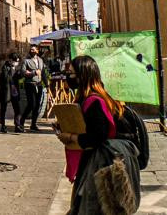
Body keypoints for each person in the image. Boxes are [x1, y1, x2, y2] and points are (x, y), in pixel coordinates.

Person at [56, 55, 142, 214]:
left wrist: (71, 137)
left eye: (71, 73)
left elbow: (98, 135)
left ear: (83, 76)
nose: (68, 77)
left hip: (104, 164)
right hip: (96, 160)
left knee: (95, 208)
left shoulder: (94, 101)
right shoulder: (89, 97)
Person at [19, 44, 46, 132]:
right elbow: (23, 73)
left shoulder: (41, 60)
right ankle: (21, 122)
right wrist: (33, 73)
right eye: (31, 50)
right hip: (30, 84)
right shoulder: (26, 61)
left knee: (37, 105)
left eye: (34, 49)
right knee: (31, 104)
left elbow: (43, 73)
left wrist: (47, 84)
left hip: (39, 84)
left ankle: (33, 124)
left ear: (37, 51)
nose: (32, 51)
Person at [0, 53, 22, 133]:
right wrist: (14, 73)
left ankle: (17, 125)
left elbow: (18, 78)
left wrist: (20, 74)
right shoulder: (5, 67)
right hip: (6, 91)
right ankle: (2, 125)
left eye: (18, 62)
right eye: (15, 61)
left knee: (17, 109)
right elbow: (6, 78)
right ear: (11, 60)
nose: (17, 63)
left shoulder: (15, 68)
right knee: (3, 109)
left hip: (14, 91)